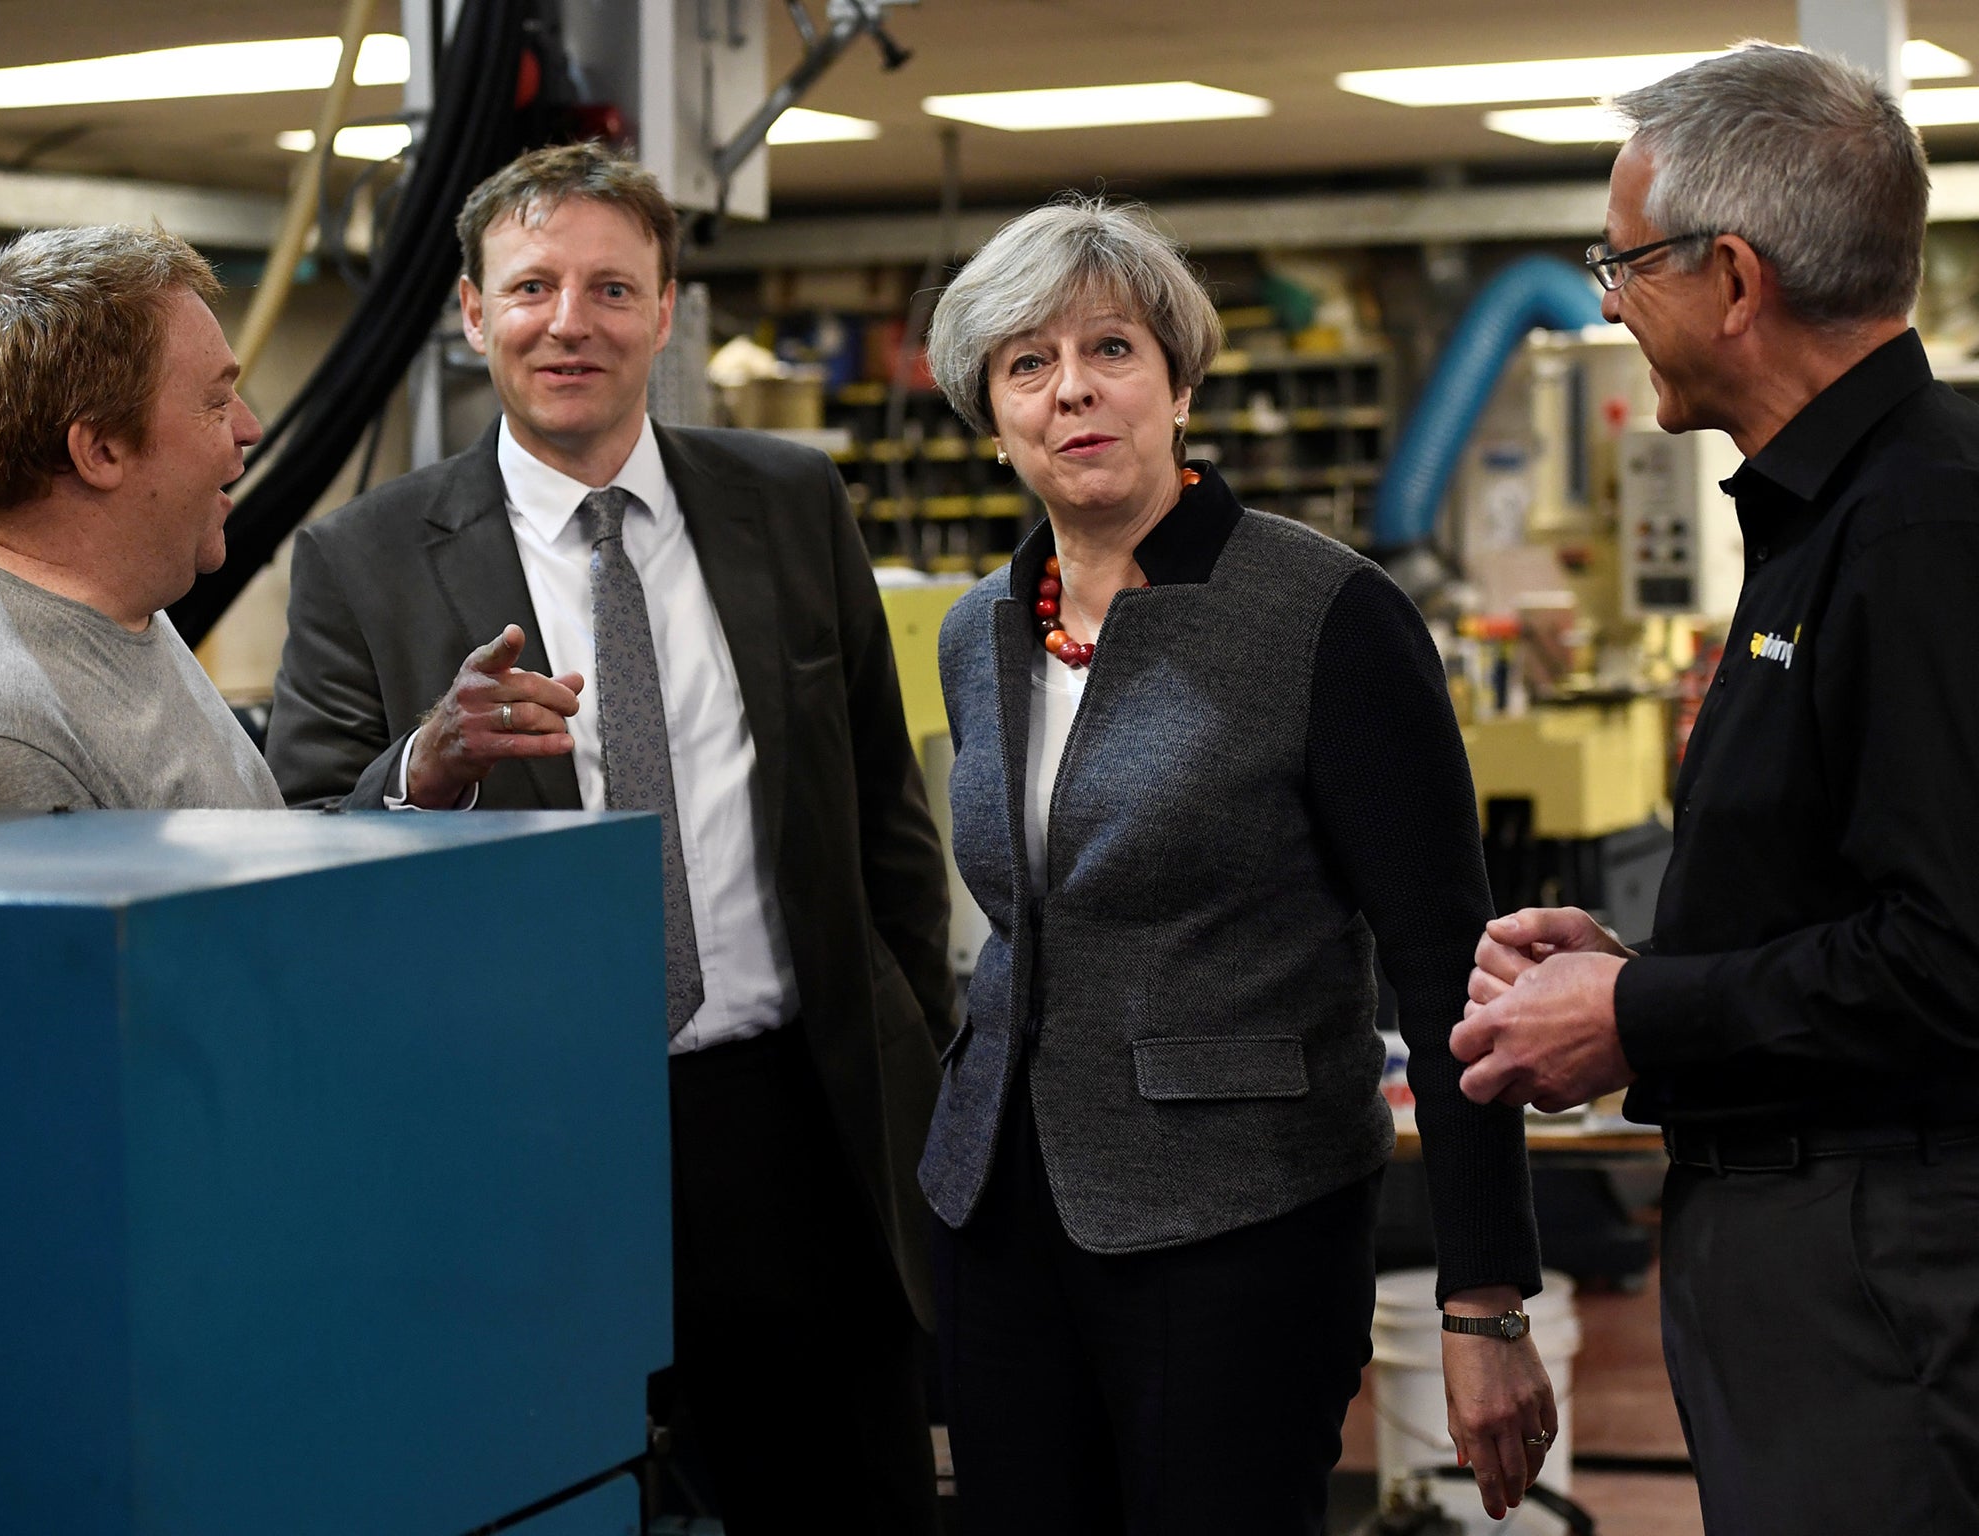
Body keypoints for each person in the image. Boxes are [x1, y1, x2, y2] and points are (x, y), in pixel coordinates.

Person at [264, 141, 954, 1534]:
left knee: (845, 1498)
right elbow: (305, 845)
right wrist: (429, 768)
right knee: (556, 1499)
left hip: (792, 1122)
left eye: (609, 288)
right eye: (530, 288)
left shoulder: (790, 501)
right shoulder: (365, 558)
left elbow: (882, 803)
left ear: (667, 309)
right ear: (471, 314)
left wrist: (912, 1042)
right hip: (530, 1137)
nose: (567, 321)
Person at [920, 196, 1551, 1534]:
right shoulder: (979, 630)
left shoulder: (1327, 616)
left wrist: (1484, 1294)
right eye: (1027, 364)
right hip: (1001, 1218)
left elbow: (1450, 961)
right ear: (991, 412)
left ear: (1181, 380)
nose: (1072, 391)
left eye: (1111, 350)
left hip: (1239, 1227)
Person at [1452, 45, 1979, 1536]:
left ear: (1733, 281)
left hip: (1886, 1264)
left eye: (1623, 268)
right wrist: (1639, 974)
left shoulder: (1914, 536)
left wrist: (1634, 1017)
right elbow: (1850, 896)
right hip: (1817, 1243)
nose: (1610, 307)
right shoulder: (1829, 523)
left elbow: (1953, 955)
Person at [0, 226, 278, 812]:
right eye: (216, 402)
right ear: (101, 451)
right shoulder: (1, 728)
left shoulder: (118, 601)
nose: (249, 430)